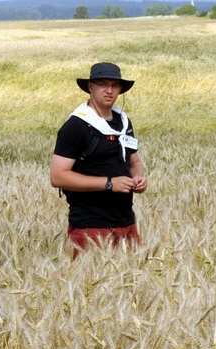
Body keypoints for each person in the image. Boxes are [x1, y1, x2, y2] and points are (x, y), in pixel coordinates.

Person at [50, 62, 147, 258]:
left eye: (115, 85)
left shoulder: (123, 122)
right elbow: (58, 177)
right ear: (90, 87)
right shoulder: (76, 126)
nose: (109, 90)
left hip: (126, 221)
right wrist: (110, 183)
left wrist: (138, 178)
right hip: (90, 226)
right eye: (102, 84)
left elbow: (134, 161)